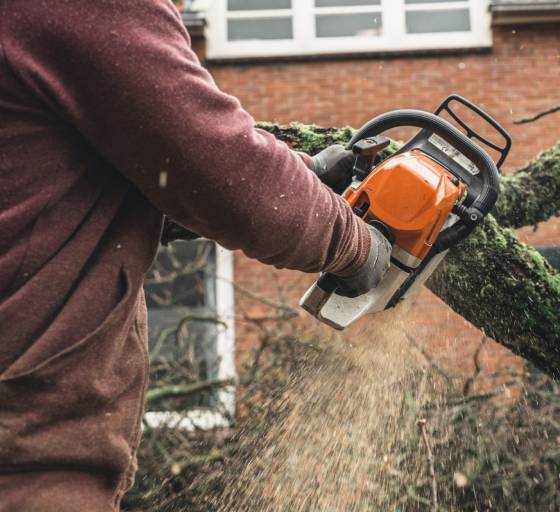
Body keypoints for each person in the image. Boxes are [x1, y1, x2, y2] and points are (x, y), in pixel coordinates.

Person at [0, 0, 392, 509]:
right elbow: (219, 170)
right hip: (26, 466)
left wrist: (302, 175)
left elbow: (63, 192)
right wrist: (359, 247)